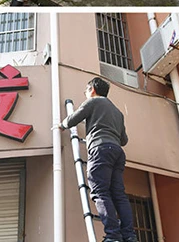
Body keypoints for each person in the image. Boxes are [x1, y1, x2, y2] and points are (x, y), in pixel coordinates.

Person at [60, 77, 137, 242]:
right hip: (117, 152)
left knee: (100, 191)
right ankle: (129, 236)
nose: (86, 94)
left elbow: (75, 118)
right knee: (118, 194)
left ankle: (113, 236)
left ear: (92, 90)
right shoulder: (118, 112)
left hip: (100, 150)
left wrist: (61, 125)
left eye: (86, 90)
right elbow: (124, 140)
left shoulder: (93, 102)